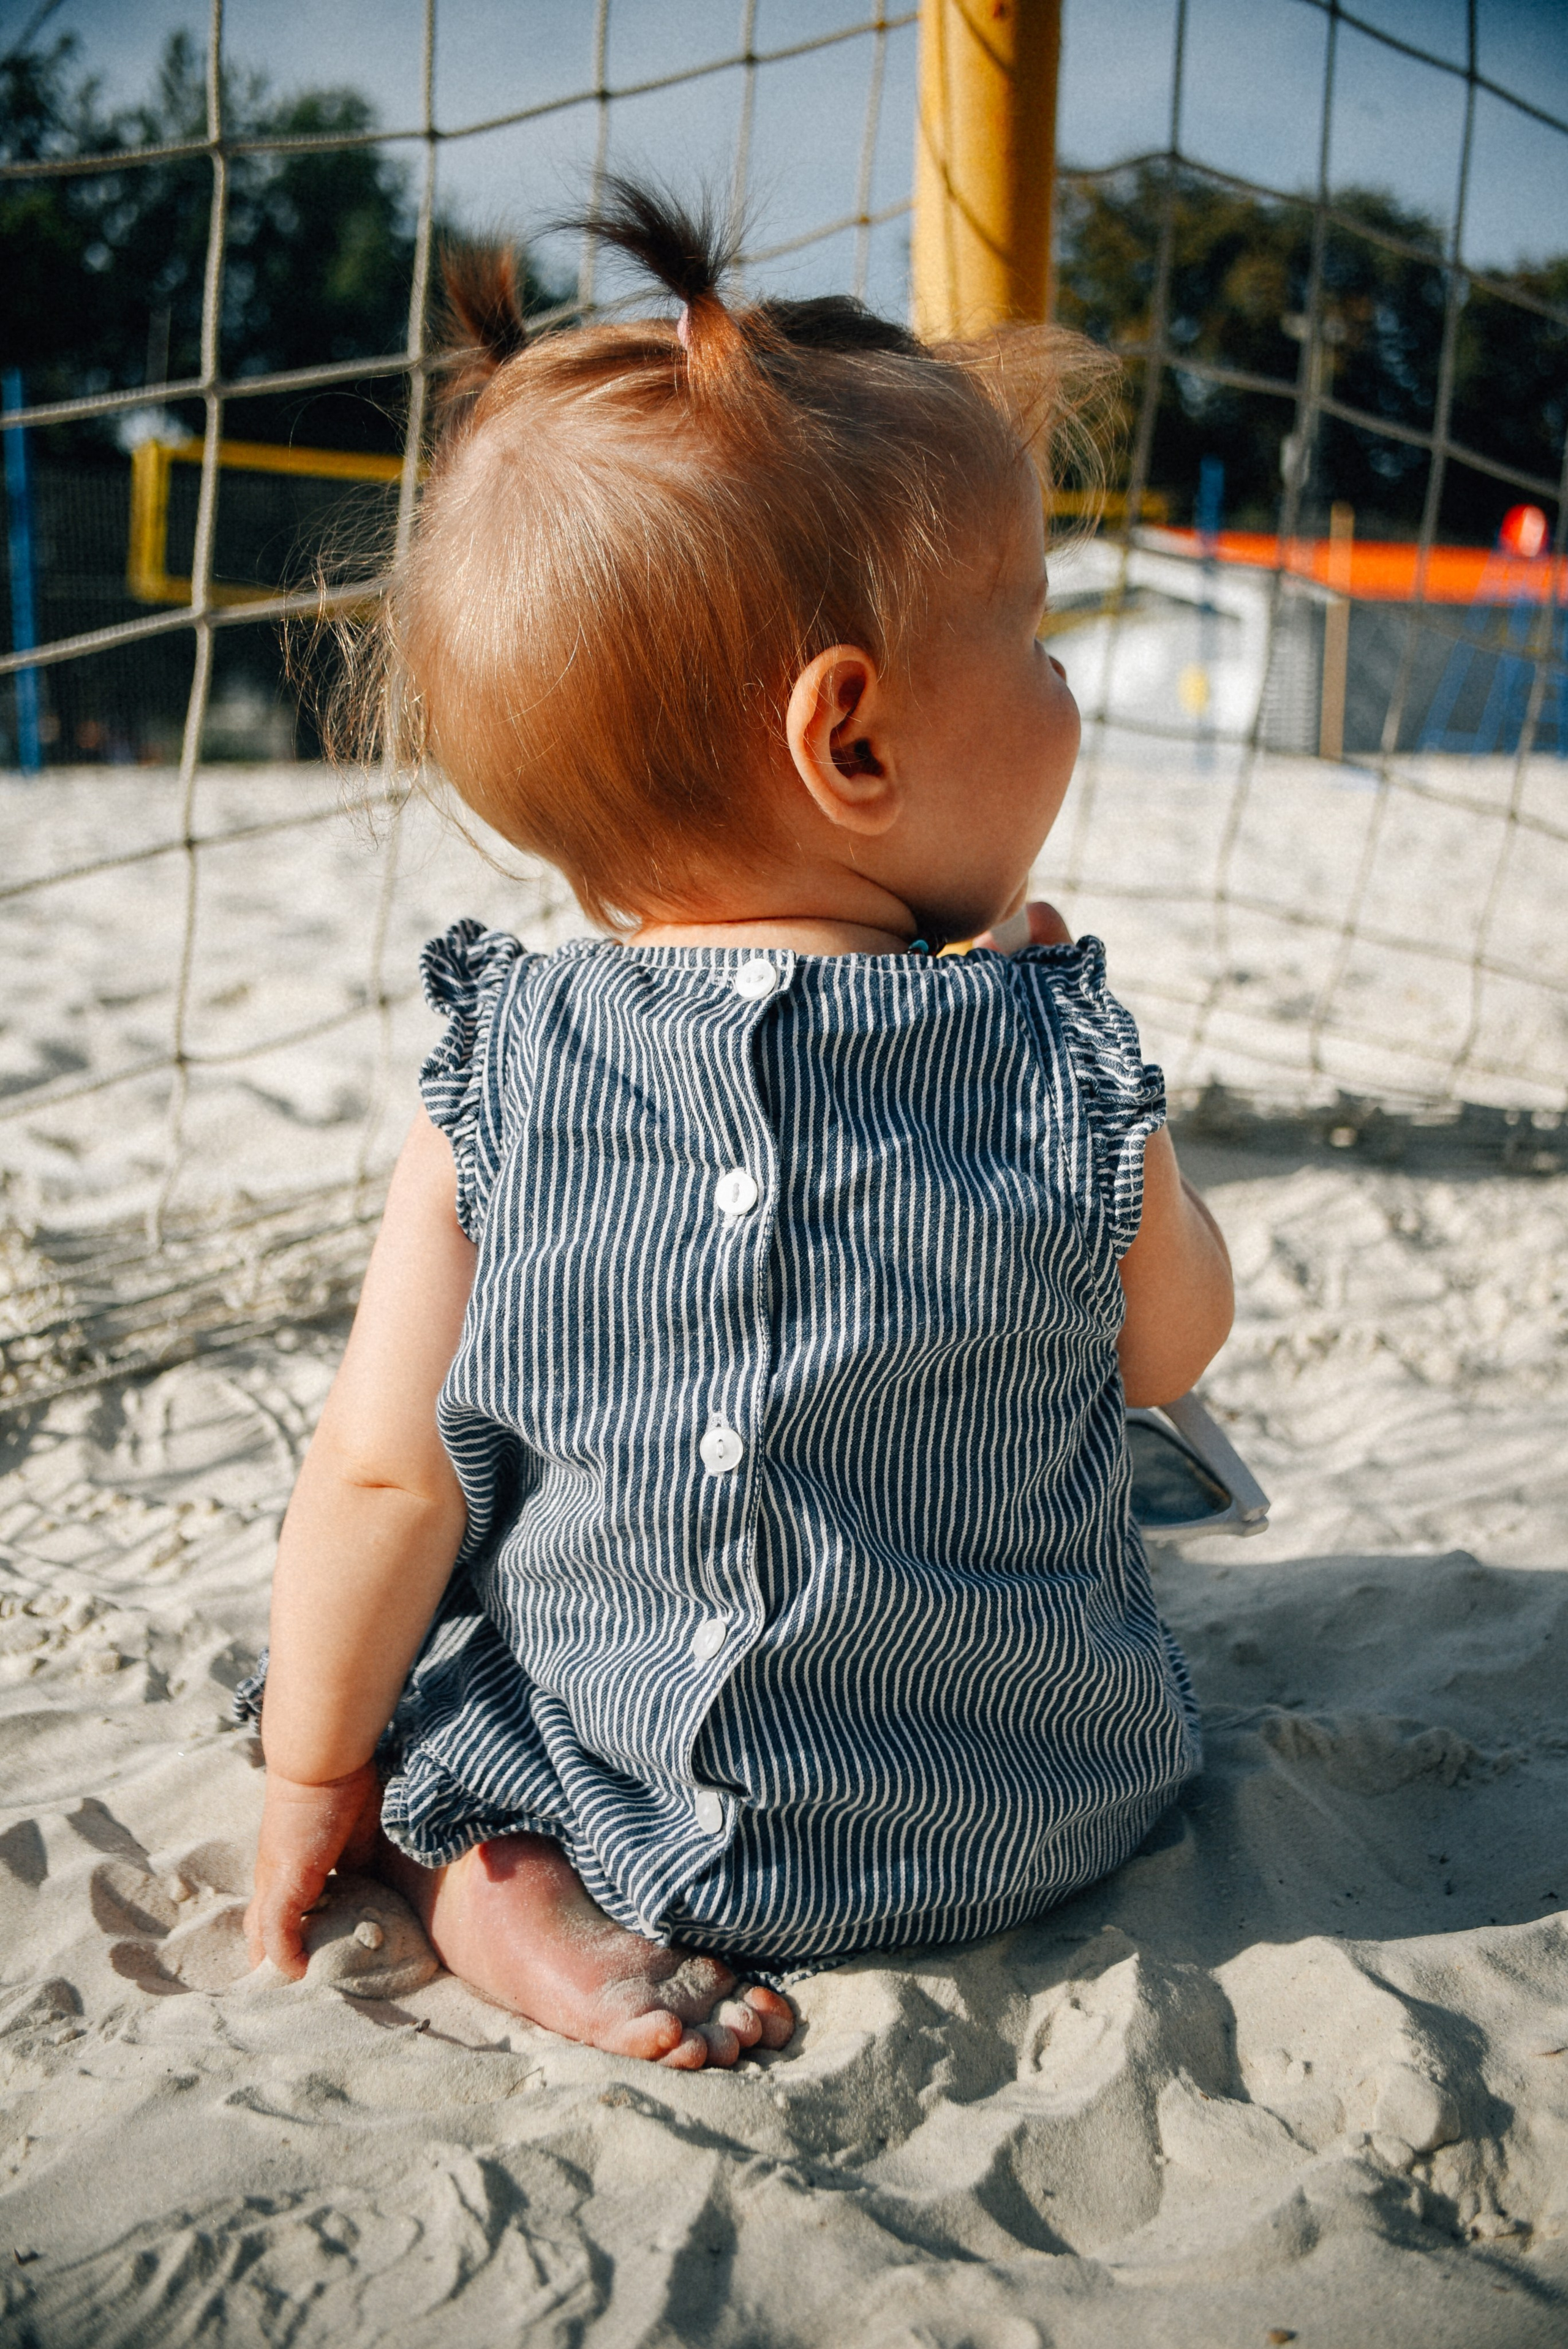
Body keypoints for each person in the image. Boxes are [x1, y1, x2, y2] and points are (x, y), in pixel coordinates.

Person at [241, 181, 1234, 2070]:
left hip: (642, 1809)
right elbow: (1173, 1343)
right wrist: (1102, 1087)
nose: (1064, 679)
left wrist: (315, 1773)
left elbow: (381, 1482)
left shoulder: (507, 1068)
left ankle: (490, 1880)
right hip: (1036, 1809)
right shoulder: (1044, 1043)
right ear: (849, 740)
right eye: (1030, 630)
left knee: (446, 1663)